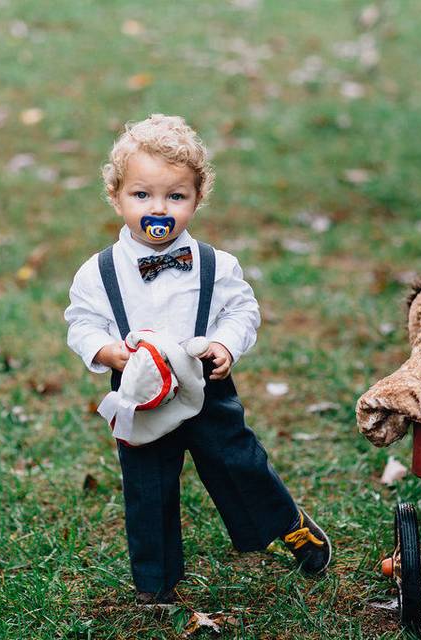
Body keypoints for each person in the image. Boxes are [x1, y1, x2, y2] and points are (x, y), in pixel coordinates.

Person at [64, 114, 331, 604]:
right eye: (141, 195)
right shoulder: (99, 272)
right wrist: (107, 351)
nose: (158, 208)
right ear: (116, 196)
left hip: (205, 386)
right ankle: (156, 581)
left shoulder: (216, 265)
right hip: (142, 392)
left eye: (176, 196)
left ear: (197, 198)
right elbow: (82, 322)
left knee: (238, 463)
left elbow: (241, 310)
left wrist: (225, 345)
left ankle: (287, 525)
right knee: (147, 486)